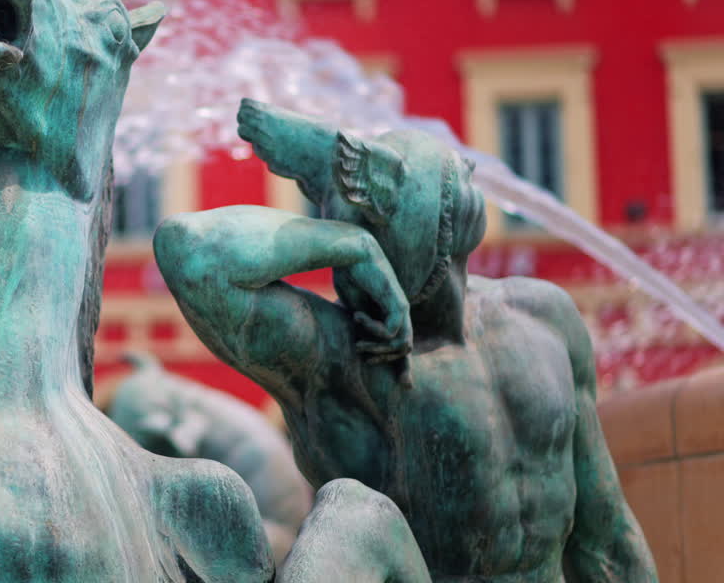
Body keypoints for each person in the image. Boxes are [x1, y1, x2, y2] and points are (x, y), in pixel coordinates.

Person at [153, 98, 658, 582]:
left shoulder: (545, 318)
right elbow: (190, 251)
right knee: (352, 514)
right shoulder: (340, 354)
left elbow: (606, 536)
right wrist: (350, 244)